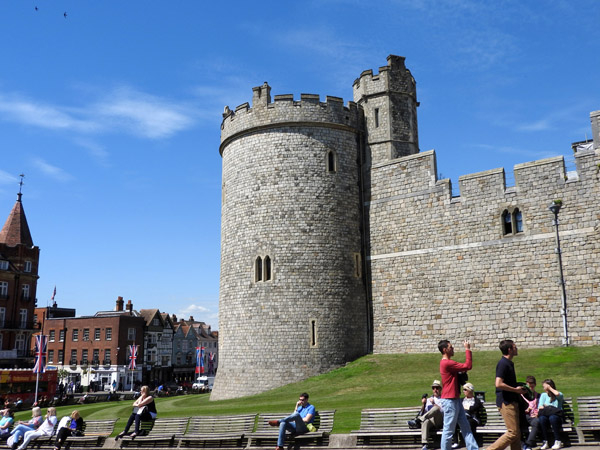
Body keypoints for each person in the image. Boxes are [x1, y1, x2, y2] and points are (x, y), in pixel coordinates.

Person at [487, 340, 527, 450]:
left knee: (517, 434)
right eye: (515, 347)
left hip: (512, 400)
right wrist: (515, 390)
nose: (517, 348)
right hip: (506, 402)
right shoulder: (503, 363)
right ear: (509, 349)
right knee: (513, 432)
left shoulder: (509, 363)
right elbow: (498, 383)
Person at [438, 340, 478, 450]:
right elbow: (468, 365)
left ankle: (473, 448)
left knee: (465, 427)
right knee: (448, 429)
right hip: (449, 400)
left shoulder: (447, 363)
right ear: (445, 350)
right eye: (451, 347)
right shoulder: (447, 363)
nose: (453, 348)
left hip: (454, 399)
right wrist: (467, 349)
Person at [407, 380, 444, 450]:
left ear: (440, 389)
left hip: (439, 420)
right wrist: (423, 404)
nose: (435, 390)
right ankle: (425, 445)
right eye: (433, 388)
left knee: (436, 408)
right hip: (431, 421)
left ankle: (417, 421)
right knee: (425, 421)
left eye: (437, 388)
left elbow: (443, 411)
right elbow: (423, 413)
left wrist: (434, 404)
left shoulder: (443, 399)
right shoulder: (429, 399)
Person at [452, 383, 484, 448]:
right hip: (463, 418)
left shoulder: (476, 400)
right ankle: (455, 442)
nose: (463, 391)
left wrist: (465, 408)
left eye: (465, 390)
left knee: (468, 422)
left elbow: (474, 409)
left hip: (474, 419)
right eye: (463, 390)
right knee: (454, 422)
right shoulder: (461, 400)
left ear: (470, 390)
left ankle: (470, 442)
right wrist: (466, 408)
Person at [537, 379, 565, 450]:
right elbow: (540, 407)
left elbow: (557, 394)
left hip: (557, 416)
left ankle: (558, 441)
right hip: (546, 415)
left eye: (545, 387)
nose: (544, 388)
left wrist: (550, 388)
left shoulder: (558, 394)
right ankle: (545, 441)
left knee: (553, 418)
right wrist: (546, 407)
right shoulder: (543, 395)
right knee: (542, 419)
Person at [522, 375, 541, 450]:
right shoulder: (521, 396)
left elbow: (540, 407)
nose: (530, 389)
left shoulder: (538, 396)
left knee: (537, 422)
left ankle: (528, 444)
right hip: (524, 417)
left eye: (532, 387)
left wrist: (537, 413)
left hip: (533, 417)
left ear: (535, 385)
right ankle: (523, 444)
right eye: (529, 387)